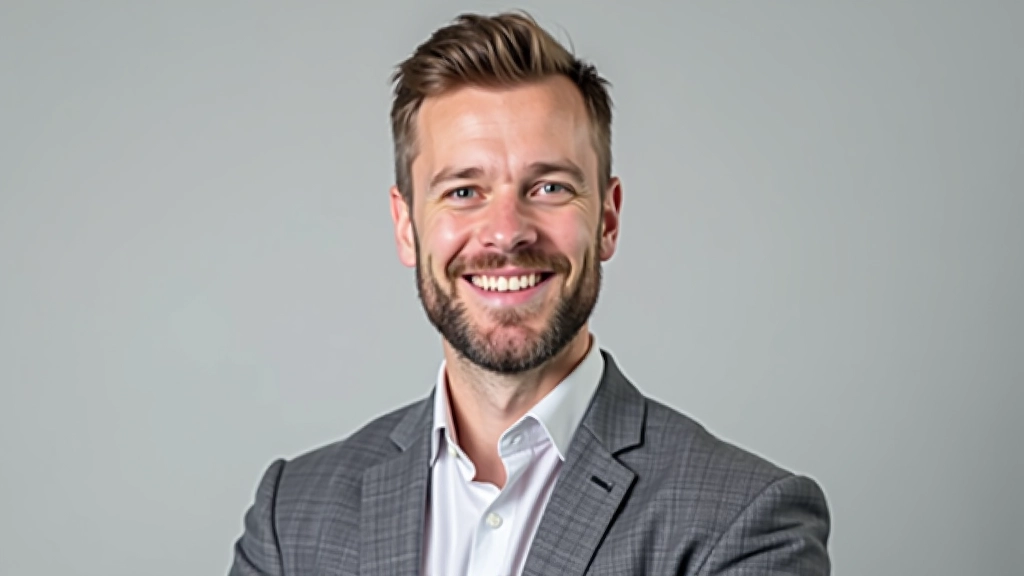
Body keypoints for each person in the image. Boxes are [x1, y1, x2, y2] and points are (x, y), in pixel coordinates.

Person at [228, 10, 831, 576]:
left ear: (608, 219)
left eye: (549, 188)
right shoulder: (292, 516)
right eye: (463, 192)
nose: (507, 232)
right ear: (406, 226)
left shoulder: (745, 522)